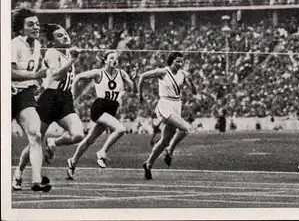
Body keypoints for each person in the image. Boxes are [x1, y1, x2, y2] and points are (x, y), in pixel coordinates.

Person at [13, 24, 84, 188]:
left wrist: (71, 57)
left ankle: (54, 142)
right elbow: (58, 75)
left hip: (65, 98)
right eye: (59, 35)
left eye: (65, 33)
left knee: (78, 135)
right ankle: (19, 172)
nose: (65, 36)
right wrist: (73, 59)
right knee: (35, 140)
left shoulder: (67, 53)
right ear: (52, 41)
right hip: (49, 99)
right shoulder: (52, 53)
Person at [66, 50, 136, 180]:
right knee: (120, 129)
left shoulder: (122, 73)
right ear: (105, 60)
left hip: (112, 109)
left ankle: (72, 161)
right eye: (111, 58)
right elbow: (78, 77)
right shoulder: (99, 73)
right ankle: (102, 151)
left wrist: (131, 79)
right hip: (100, 107)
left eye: (116, 58)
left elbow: (132, 89)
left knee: (90, 140)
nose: (114, 60)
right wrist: (72, 96)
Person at [138, 52, 198, 180]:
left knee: (165, 140)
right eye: (178, 61)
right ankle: (170, 151)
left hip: (177, 104)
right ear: (171, 61)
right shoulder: (163, 72)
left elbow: (194, 92)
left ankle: (148, 164)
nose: (180, 64)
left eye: (182, 62)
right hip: (165, 104)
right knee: (185, 128)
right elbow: (142, 76)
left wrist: (191, 82)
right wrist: (140, 96)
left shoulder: (183, 74)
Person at [11, 9, 51, 192]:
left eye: (36, 23)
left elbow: (31, 74)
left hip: (24, 94)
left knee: (36, 134)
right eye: (30, 24)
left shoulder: (37, 45)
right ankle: (17, 174)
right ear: (20, 29)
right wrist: (34, 75)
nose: (36, 27)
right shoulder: (14, 44)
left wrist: (37, 81)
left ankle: (36, 180)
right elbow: (9, 72)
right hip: (6, 93)